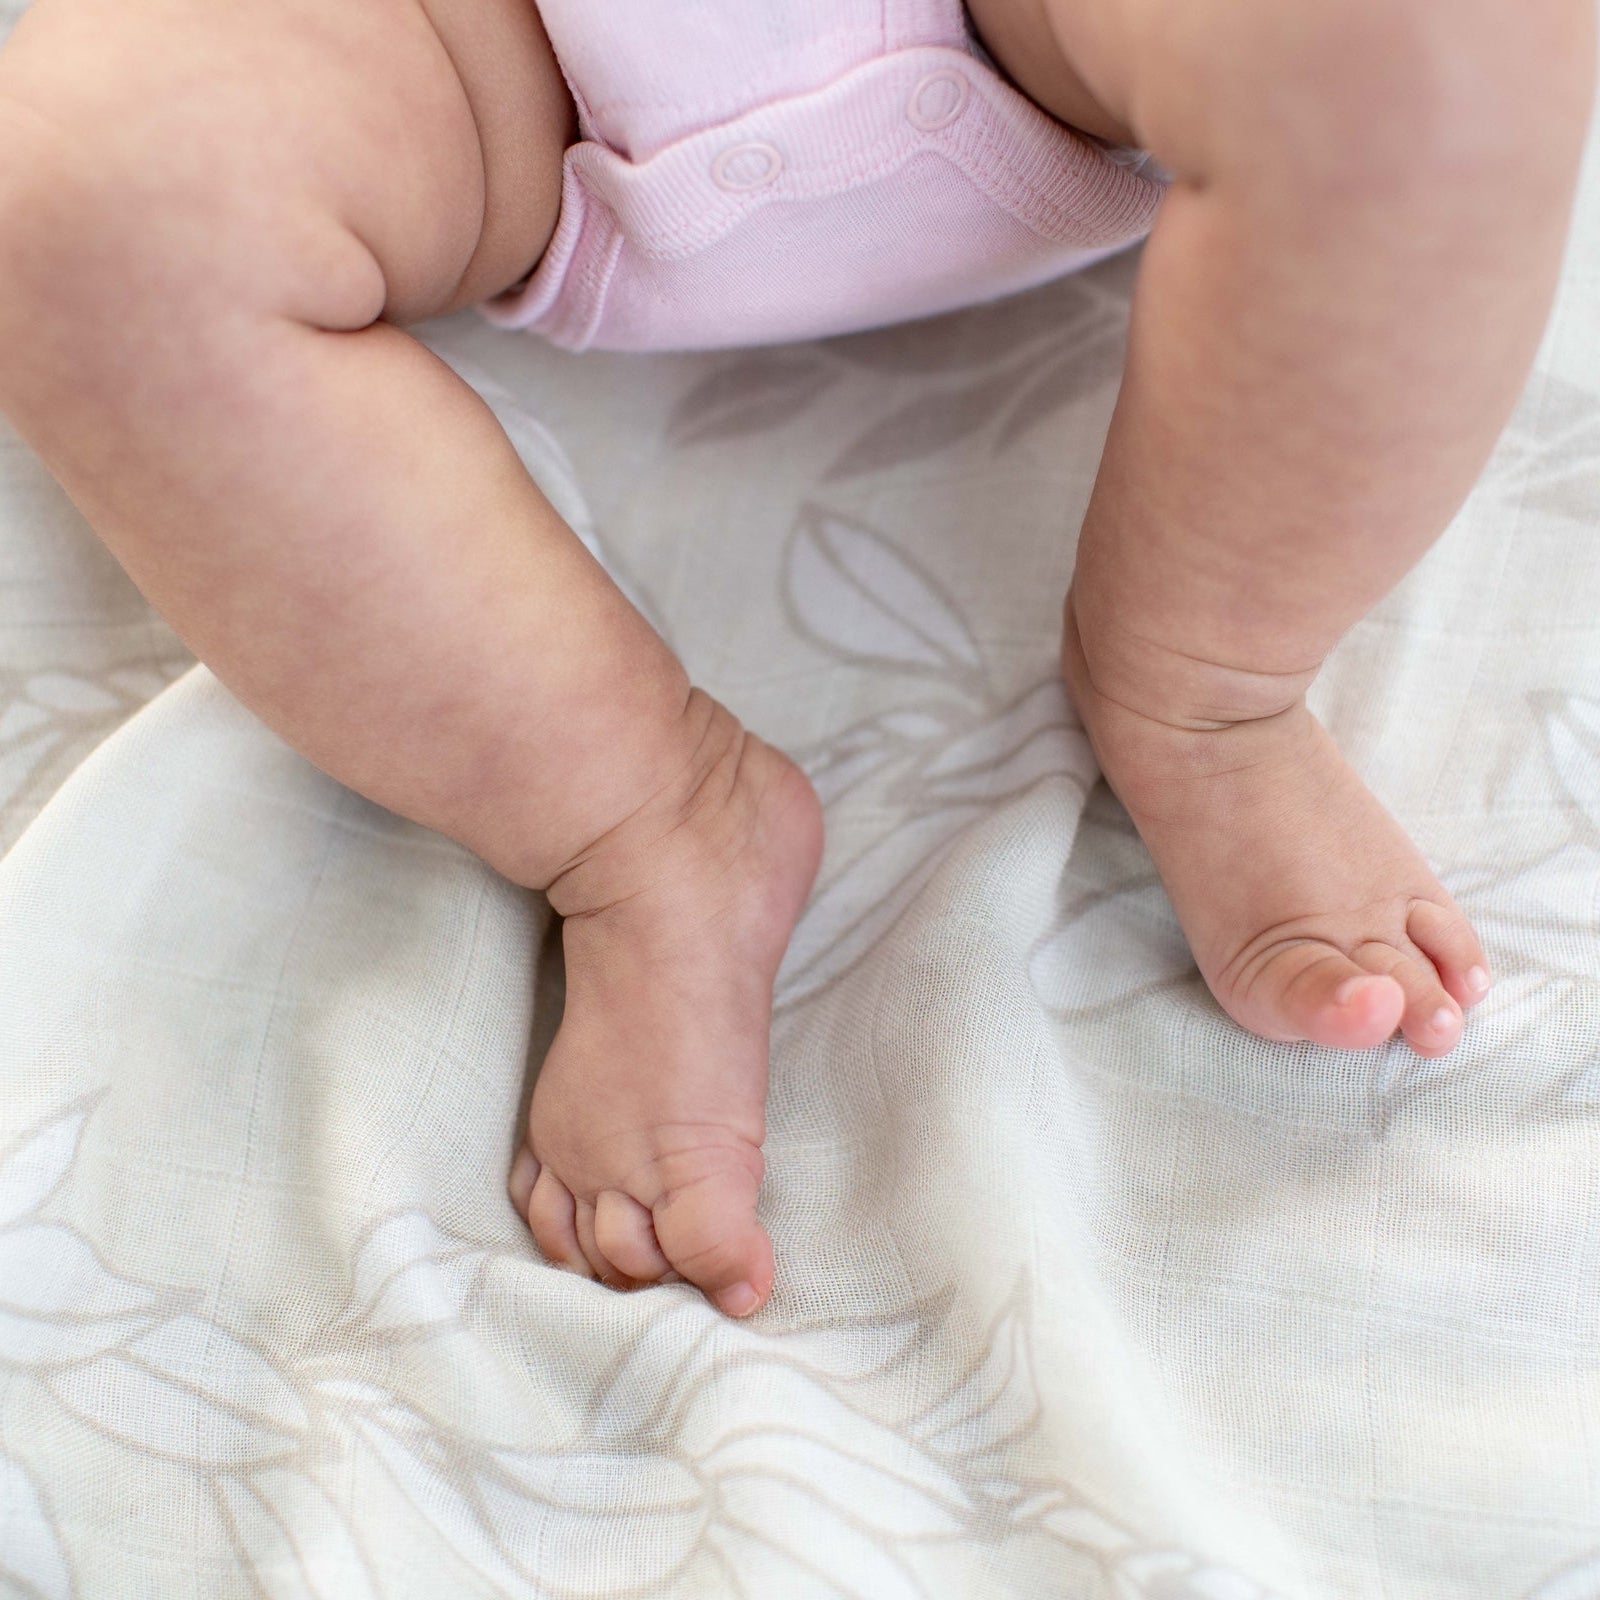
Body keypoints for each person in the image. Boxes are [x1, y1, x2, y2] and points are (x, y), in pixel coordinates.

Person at [0, 0, 1590, 1320]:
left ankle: (1207, 686)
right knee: (76, 189)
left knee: (1445, 43)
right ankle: (643, 816)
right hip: (487, 53)